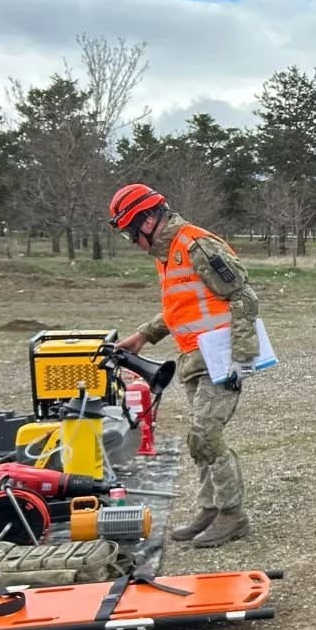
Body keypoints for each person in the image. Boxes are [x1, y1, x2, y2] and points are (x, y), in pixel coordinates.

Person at [108, 184, 259, 548]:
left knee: (207, 436)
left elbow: (243, 295)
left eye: (131, 231)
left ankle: (232, 514)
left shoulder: (197, 246)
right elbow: (182, 308)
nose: (132, 240)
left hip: (220, 358)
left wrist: (240, 357)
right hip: (194, 358)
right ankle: (210, 508)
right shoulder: (169, 253)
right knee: (199, 438)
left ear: (149, 219)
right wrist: (144, 335)